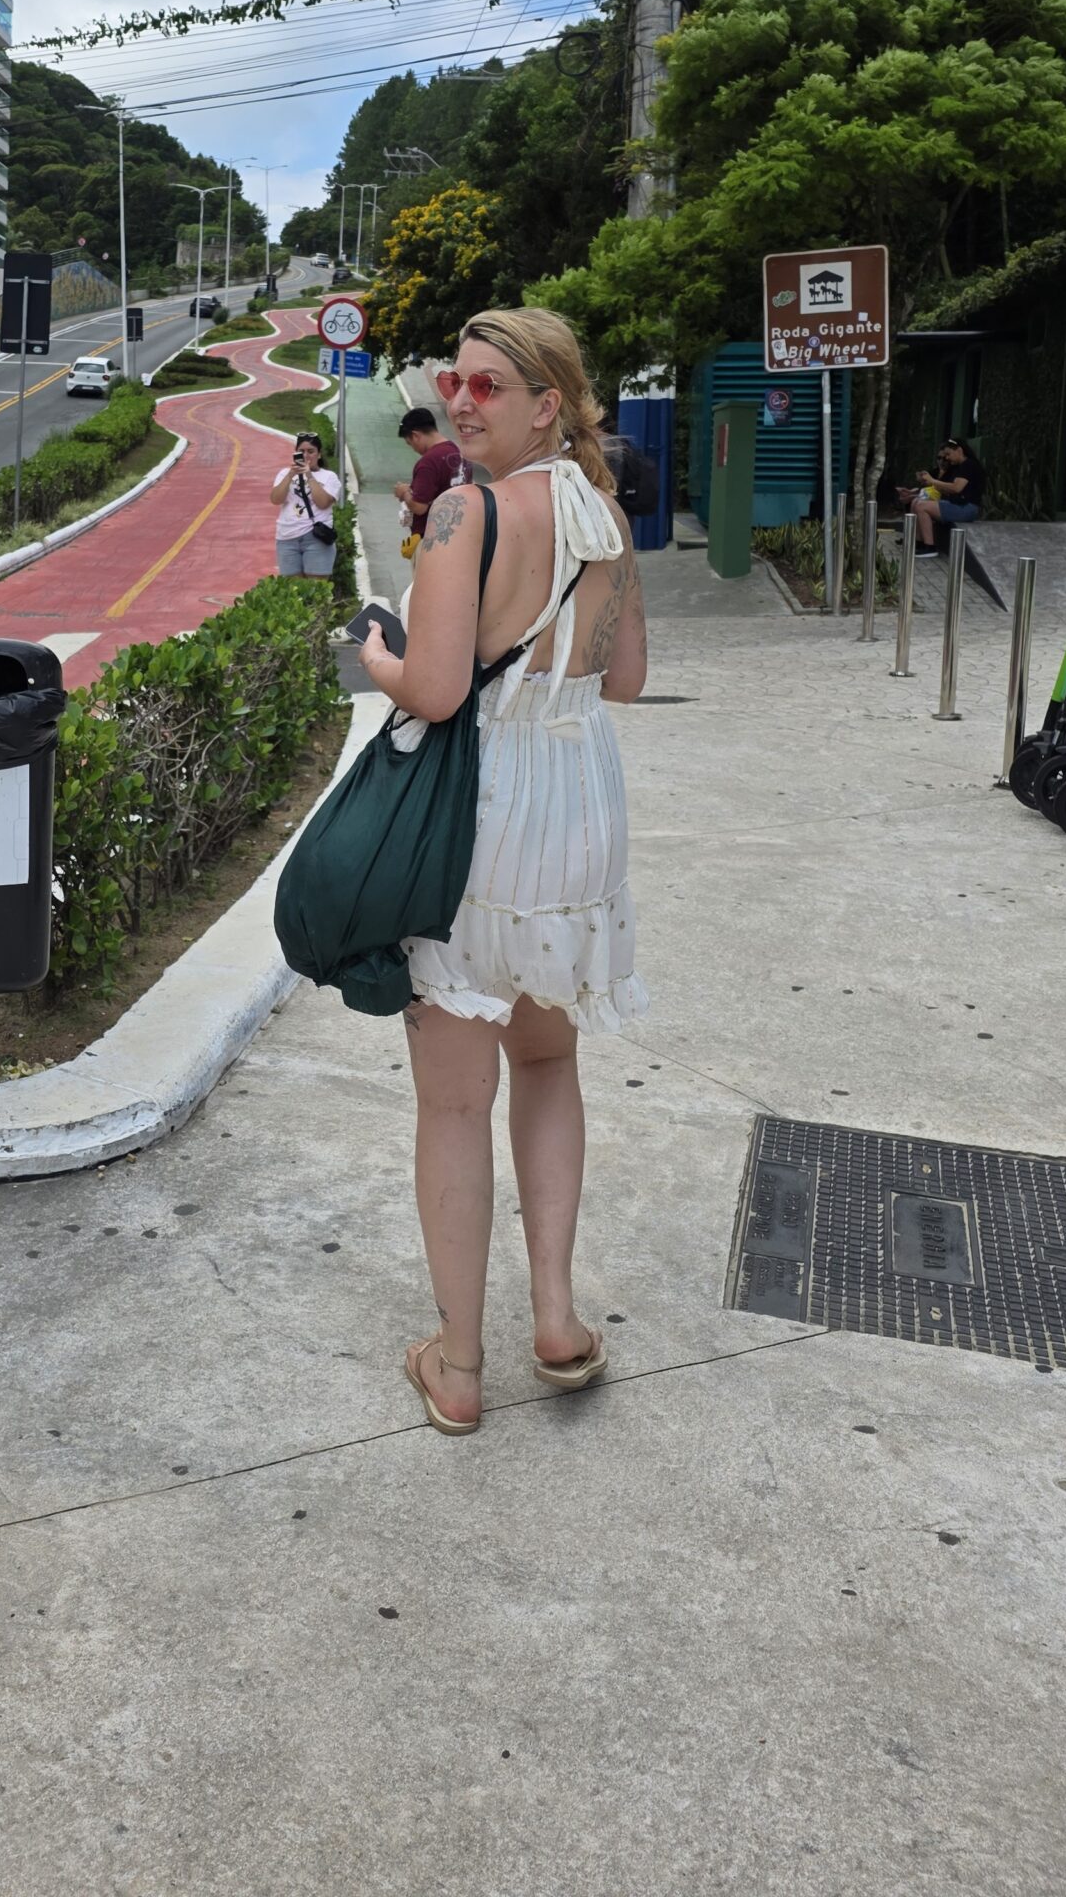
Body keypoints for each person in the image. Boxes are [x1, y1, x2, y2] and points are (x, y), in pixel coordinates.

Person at [355, 307, 648, 1437]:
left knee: (453, 1097)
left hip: (478, 810)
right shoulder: (603, 512)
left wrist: (377, 652)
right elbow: (626, 678)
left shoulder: (464, 512)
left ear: (547, 405)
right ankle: (558, 1320)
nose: (461, 401)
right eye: (455, 382)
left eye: (488, 386)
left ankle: (461, 1364)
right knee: (548, 1057)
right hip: (579, 803)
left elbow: (435, 691)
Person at [392, 405, 462, 557]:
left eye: (410, 443)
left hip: (430, 542)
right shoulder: (457, 452)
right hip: (457, 535)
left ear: (416, 435)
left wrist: (404, 492)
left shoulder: (429, 462)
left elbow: (419, 507)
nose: (413, 449)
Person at [271, 432, 342, 578]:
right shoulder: (284, 473)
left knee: (317, 588)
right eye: (301, 451)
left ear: (319, 454)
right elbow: (276, 499)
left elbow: (323, 503)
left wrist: (309, 475)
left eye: (311, 451)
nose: (306, 455)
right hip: (287, 537)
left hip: (315, 537)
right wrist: (291, 475)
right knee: (293, 588)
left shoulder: (329, 477)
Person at [898, 437, 985, 550]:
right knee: (916, 502)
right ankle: (918, 542)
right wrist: (925, 484)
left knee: (921, 506)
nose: (947, 458)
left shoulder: (969, 465)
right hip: (957, 504)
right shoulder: (958, 467)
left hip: (967, 508)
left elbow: (956, 488)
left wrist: (933, 481)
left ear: (959, 450)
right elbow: (946, 488)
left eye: (948, 454)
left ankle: (929, 546)